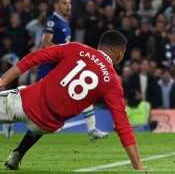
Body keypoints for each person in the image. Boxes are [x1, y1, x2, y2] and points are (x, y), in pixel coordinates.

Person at [0, 30, 148, 170]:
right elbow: (122, 124)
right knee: (44, 117)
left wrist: (3, 80)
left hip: (25, 103)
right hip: (47, 125)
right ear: (120, 54)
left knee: (27, 91)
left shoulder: (76, 48)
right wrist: (137, 164)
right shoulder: (113, 83)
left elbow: (34, 58)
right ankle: (17, 155)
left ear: (99, 45)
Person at [23, 0, 108, 141]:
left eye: (69, 3)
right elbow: (46, 43)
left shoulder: (66, 25)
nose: (68, 6)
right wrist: (66, 55)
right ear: (56, 6)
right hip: (48, 71)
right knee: (36, 108)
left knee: (80, 94)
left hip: (60, 73)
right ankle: (7, 121)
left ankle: (92, 129)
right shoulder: (53, 22)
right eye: (64, 3)